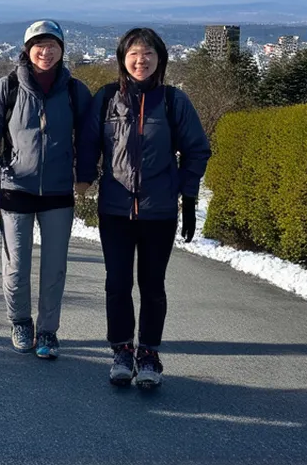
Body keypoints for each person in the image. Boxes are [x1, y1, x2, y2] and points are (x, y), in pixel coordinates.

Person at [76, 27, 210, 388]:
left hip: (159, 210)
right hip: (115, 210)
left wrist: (188, 195)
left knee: (152, 284)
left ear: (160, 59)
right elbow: (88, 143)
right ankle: (121, 349)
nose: (141, 60)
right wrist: (84, 181)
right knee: (117, 283)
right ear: (122, 58)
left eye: (149, 53)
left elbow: (197, 149)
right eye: (134, 53)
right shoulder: (106, 99)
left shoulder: (173, 101)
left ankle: (148, 353)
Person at [0, 19, 92, 359]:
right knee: (16, 265)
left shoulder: (74, 90)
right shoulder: (7, 88)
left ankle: (48, 331)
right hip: (15, 187)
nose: (46, 50)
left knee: (55, 267)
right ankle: (21, 321)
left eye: (53, 44)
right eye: (39, 44)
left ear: (62, 49)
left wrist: (84, 175)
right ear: (27, 50)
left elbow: (88, 138)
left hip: (58, 191)